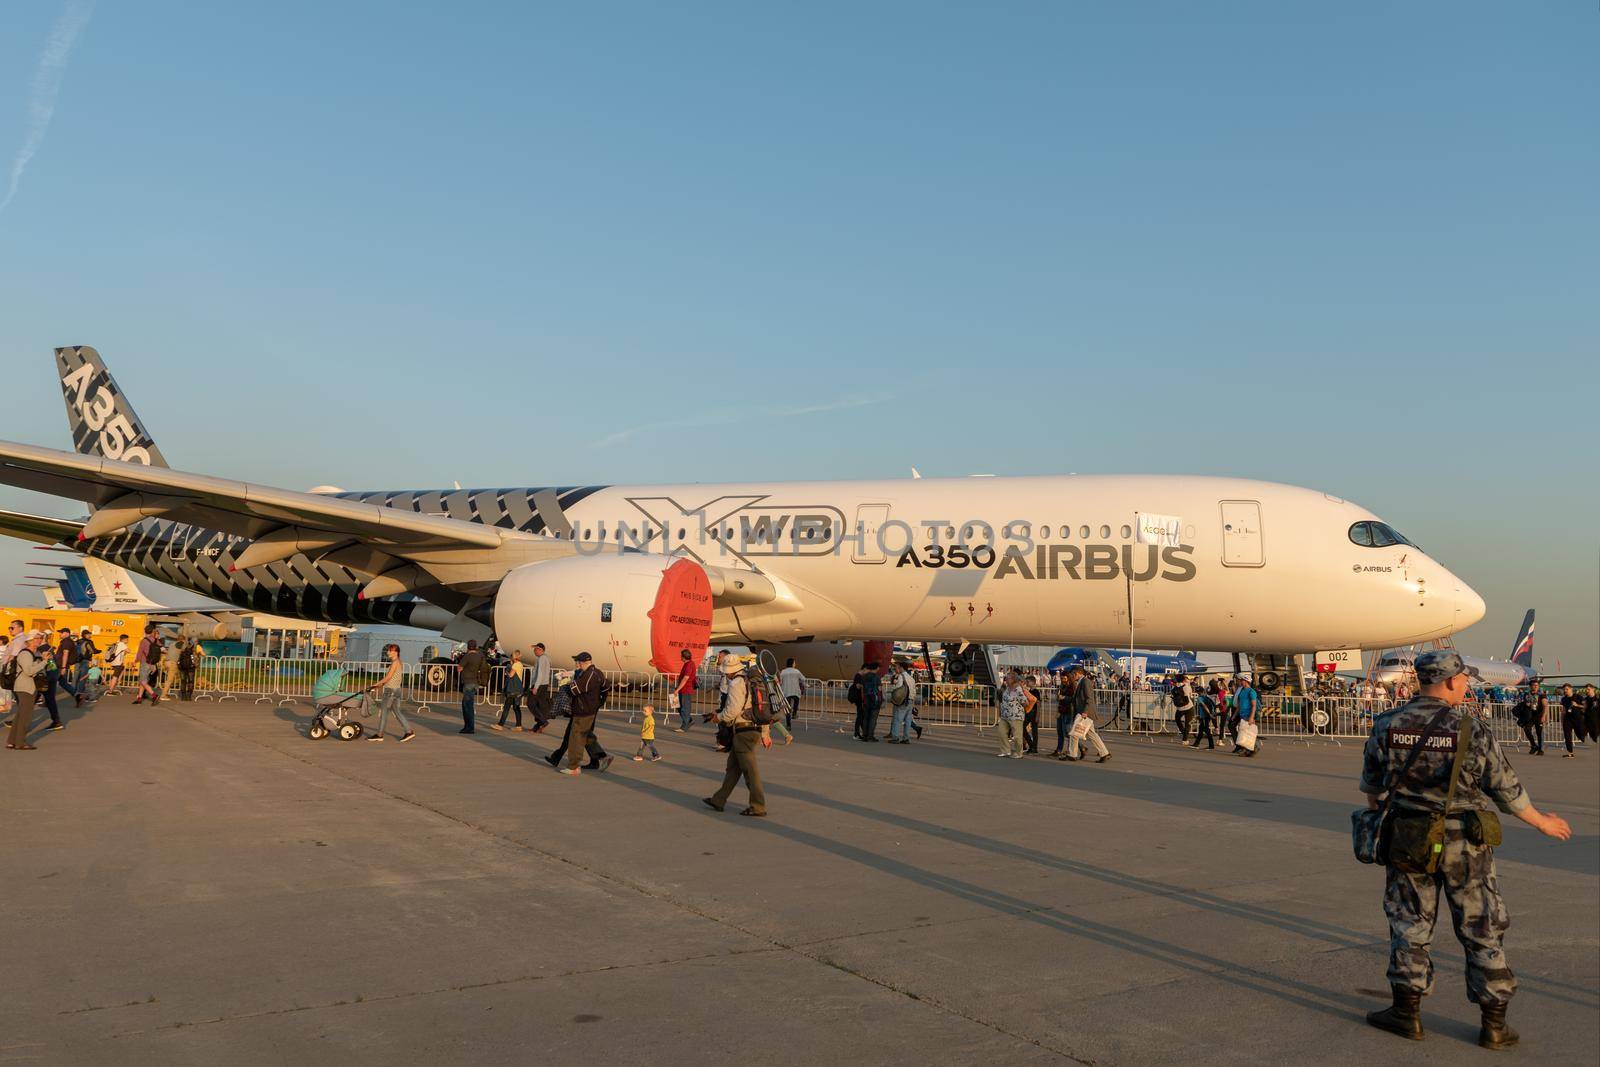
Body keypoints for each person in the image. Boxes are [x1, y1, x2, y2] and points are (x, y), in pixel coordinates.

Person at [1360, 651, 1571, 1050]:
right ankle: (1494, 1024)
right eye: (1464, 681)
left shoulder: (1387, 725)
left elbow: (1372, 790)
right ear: (1452, 682)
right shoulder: (1471, 729)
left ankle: (1407, 1013)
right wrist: (1542, 821)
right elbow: (1506, 790)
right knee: (1481, 927)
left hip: (1409, 837)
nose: (1466, 687)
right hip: (1464, 844)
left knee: (1409, 924)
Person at [703, 656, 768, 816]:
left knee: (750, 772)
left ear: (729, 672)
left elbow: (733, 710)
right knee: (733, 768)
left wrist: (719, 717)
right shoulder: (750, 681)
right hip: (753, 729)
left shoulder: (737, 683)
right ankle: (719, 799)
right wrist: (765, 732)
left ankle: (758, 806)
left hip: (743, 732)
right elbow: (761, 708)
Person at [555, 652, 613, 776]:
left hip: (583, 711)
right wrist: (598, 702)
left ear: (582, 662)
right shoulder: (597, 672)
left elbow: (574, 690)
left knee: (576, 738)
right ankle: (601, 758)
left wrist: (567, 682)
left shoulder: (588, 675)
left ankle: (574, 766)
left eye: (577, 662)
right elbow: (606, 686)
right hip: (590, 710)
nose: (576, 664)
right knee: (586, 735)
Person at [365, 643, 416, 742]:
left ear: (395, 652)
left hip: (390, 691)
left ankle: (379, 735)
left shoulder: (395, 662)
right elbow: (392, 678)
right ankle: (409, 731)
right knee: (397, 712)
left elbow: (388, 677)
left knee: (384, 712)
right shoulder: (398, 662)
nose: (387, 652)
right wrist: (378, 686)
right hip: (396, 690)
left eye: (390, 650)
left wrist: (375, 684)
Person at [6, 631, 47, 750]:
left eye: (41, 638)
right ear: (30, 640)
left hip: (28, 686)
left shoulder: (35, 652)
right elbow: (29, 671)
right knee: (26, 716)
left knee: (20, 715)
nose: (40, 640)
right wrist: (43, 662)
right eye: (37, 638)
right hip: (25, 687)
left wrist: (44, 660)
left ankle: (12, 741)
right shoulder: (25, 653)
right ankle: (20, 742)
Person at [1064, 665, 1111, 763]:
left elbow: (1089, 698)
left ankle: (1072, 755)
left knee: (1074, 733)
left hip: (1085, 713)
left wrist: (1085, 711)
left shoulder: (1085, 682)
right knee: (1091, 735)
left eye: (1073, 674)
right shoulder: (1083, 681)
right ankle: (1104, 753)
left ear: (1077, 673)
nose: (1072, 676)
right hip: (1085, 712)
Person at [995, 672, 1031, 759]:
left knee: (1017, 736)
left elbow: (1026, 702)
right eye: (1006, 678)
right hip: (1005, 715)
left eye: (1008, 678)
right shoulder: (1007, 688)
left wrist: (1018, 706)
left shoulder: (1018, 689)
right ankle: (1005, 751)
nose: (1006, 680)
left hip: (1016, 716)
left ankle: (1019, 753)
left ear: (1013, 679)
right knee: (1001, 732)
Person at [491, 649, 526, 731]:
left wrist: (507, 671)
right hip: (518, 689)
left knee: (506, 707)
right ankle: (518, 725)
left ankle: (500, 724)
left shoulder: (515, 665)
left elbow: (511, 675)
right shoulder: (520, 664)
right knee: (516, 707)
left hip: (512, 689)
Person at [457, 639, 486, 734]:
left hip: (468, 682)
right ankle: (470, 726)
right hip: (475, 682)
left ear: (468, 647)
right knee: (470, 705)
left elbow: (459, 668)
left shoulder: (467, 656)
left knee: (466, 706)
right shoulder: (479, 656)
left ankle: (468, 727)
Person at [885, 659, 917, 744]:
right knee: (908, 720)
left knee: (897, 719)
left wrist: (894, 685)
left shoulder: (901, 676)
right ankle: (906, 738)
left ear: (901, 667)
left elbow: (898, 688)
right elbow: (914, 690)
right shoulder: (911, 678)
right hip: (910, 701)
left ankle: (895, 737)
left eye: (897, 667)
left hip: (902, 701)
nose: (896, 668)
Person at [524, 642, 553, 733]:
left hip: (539, 684)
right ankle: (538, 726)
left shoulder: (542, 659)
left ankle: (543, 722)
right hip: (543, 684)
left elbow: (540, 673)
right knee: (539, 705)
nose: (534, 651)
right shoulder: (545, 658)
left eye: (535, 649)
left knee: (530, 703)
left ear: (540, 650)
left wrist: (535, 687)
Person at [132, 631, 163, 706]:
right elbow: (162, 650)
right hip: (152, 663)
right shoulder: (157, 641)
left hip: (145, 662)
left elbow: (140, 652)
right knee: (144, 680)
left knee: (142, 681)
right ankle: (139, 698)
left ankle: (154, 696)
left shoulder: (144, 640)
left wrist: (135, 661)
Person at [1233, 675, 1260, 757]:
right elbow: (1240, 705)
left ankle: (1253, 749)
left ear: (1247, 681)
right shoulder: (1242, 691)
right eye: (1241, 680)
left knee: (1249, 733)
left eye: (1242, 680)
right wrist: (1234, 715)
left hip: (1248, 715)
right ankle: (1249, 750)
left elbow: (1254, 705)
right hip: (1242, 714)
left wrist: (1251, 717)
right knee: (1244, 733)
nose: (1241, 682)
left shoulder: (1251, 691)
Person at [671, 647, 697, 732]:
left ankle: (684, 726)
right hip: (683, 689)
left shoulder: (689, 665)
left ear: (683, 657)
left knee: (684, 708)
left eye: (681, 656)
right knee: (676, 705)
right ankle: (689, 720)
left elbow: (686, 678)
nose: (680, 657)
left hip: (686, 689)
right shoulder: (687, 664)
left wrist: (677, 689)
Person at [778, 658, 805, 733]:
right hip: (795, 691)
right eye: (794, 663)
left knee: (787, 709)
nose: (795, 664)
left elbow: (780, 681)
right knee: (796, 701)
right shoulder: (796, 671)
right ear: (792, 664)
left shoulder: (783, 671)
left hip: (786, 692)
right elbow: (803, 678)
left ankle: (788, 725)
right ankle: (794, 713)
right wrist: (803, 684)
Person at [1190, 682, 1217, 750]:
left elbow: (1204, 706)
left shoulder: (1200, 698)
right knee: (1201, 730)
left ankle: (1211, 746)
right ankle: (1196, 744)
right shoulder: (1206, 697)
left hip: (1205, 716)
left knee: (1207, 730)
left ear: (1198, 692)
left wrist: (1209, 714)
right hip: (1206, 716)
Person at [1557, 684, 1582, 757]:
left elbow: (1584, 706)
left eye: (1567, 689)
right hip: (1568, 719)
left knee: (1580, 733)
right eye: (1564, 689)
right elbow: (1564, 710)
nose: (1565, 691)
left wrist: (1577, 705)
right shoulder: (1563, 699)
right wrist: (1562, 720)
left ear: (1571, 689)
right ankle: (1570, 753)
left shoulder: (1578, 697)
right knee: (1567, 736)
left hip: (1577, 718)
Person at [1170, 673, 1195, 743]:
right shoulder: (1187, 686)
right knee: (1188, 723)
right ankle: (1185, 739)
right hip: (1189, 707)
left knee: (1177, 719)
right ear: (1183, 679)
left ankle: (1183, 732)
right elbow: (1189, 696)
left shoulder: (1175, 687)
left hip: (1179, 708)